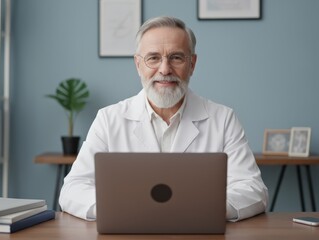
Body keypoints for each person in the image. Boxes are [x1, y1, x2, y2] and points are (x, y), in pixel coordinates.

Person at [59, 16, 268, 222]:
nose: (165, 69)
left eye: (176, 57)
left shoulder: (223, 119)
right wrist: (119, 207)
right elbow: (73, 189)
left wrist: (206, 208)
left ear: (192, 64)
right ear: (138, 65)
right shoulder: (108, 119)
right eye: (153, 58)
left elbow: (253, 189)